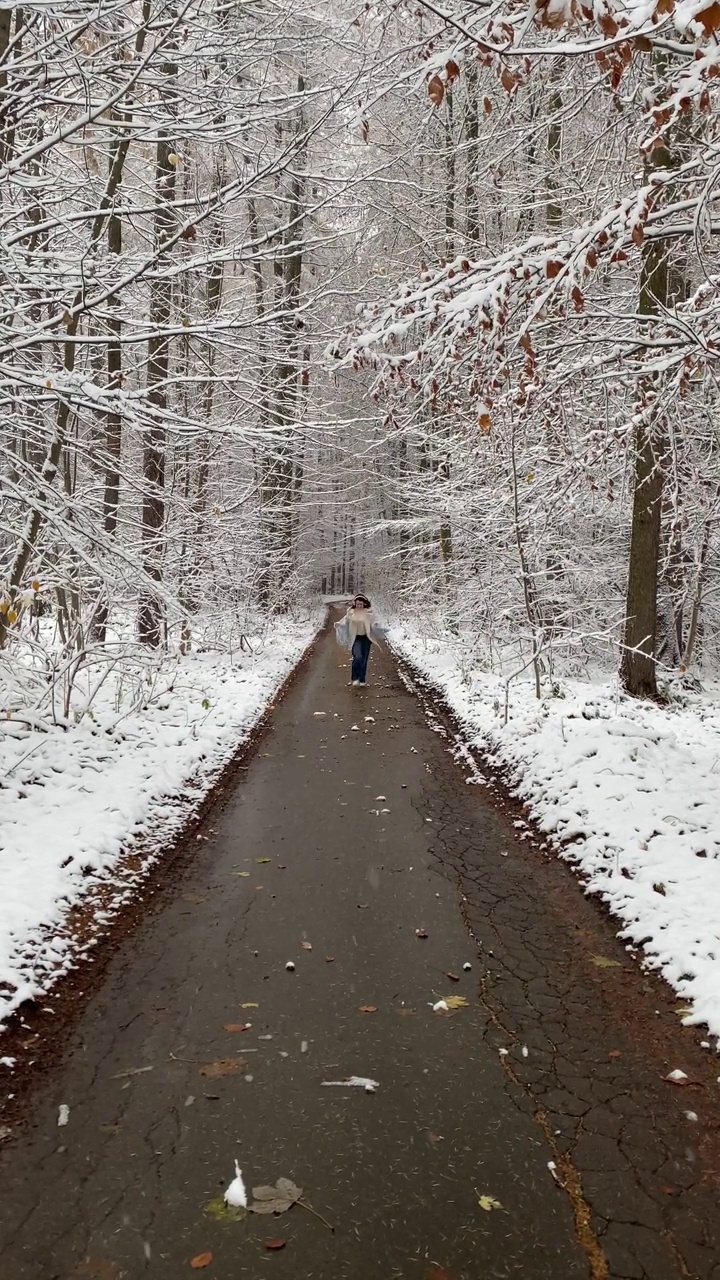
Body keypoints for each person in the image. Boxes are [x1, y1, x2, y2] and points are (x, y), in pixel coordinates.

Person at [344, 594, 378, 687]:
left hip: (366, 638)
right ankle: (355, 678)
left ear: (364, 604)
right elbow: (345, 622)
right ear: (355, 604)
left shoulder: (369, 613)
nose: (359, 606)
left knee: (364, 659)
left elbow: (374, 622)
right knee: (357, 657)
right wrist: (338, 625)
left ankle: (362, 679)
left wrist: (376, 626)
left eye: (361, 604)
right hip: (355, 638)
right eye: (358, 604)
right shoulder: (350, 612)